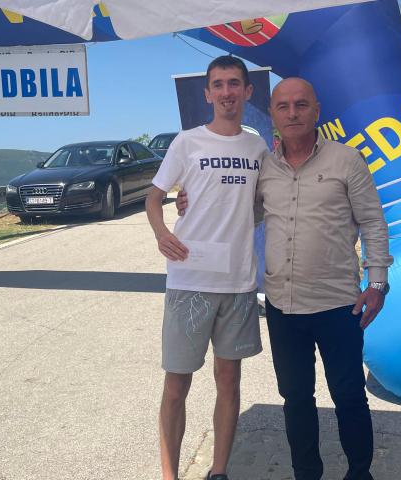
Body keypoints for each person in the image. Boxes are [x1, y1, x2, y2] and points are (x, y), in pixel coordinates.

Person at [178, 77, 392, 480]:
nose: (292, 113)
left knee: (348, 395)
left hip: (338, 304)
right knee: (295, 399)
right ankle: (306, 474)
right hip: (283, 306)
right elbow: (241, 212)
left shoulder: (346, 160)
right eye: (283, 106)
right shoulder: (265, 167)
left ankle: (359, 472)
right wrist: (194, 202)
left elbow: (373, 222)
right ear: (273, 115)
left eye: (301, 105)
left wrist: (377, 282)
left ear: (316, 111)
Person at [145, 55, 268, 480]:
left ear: (247, 91)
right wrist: (162, 231)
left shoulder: (257, 148)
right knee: (176, 384)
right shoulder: (187, 142)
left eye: (234, 83)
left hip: (238, 282)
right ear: (208, 94)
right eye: (218, 84)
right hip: (190, 279)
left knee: (229, 381)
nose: (227, 92)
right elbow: (153, 198)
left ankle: (219, 470)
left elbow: (258, 206)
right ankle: (169, 474)